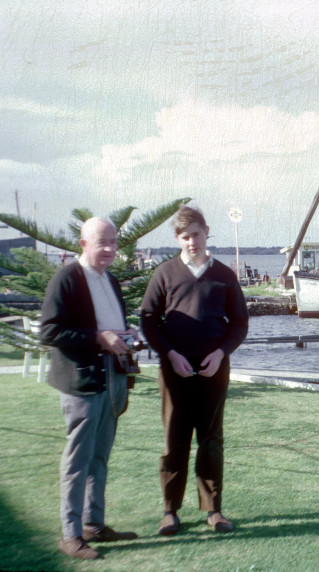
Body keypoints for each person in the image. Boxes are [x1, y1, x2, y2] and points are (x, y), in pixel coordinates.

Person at [140, 205, 249, 536]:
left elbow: (240, 323)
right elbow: (148, 320)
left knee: (211, 440)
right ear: (177, 238)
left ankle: (213, 510)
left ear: (206, 233)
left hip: (214, 370)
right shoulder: (165, 273)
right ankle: (170, 512)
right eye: (185, 237)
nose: (192, 242)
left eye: (197, 235)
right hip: (175, 371)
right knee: (175, 440)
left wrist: (221, 353)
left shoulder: (224, 276)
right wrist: (170, 354)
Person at [39, 217, 138, 560]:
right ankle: (70, 535)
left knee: (99, 456)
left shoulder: (109, 279)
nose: (110, 249)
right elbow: (49, 332)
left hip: (112, 379)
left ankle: (93, 524)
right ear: (83, 244)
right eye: (102, 243)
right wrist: (99, 338)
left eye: (114, 242)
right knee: (78, 460)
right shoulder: (67, 278)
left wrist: (125, 336)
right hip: (82, 382)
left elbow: (111, 327)